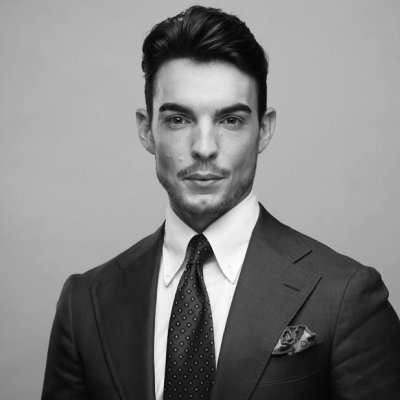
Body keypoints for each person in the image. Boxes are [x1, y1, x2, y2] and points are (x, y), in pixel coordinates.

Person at [42, 5, 400, 400]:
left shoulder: (345, 295)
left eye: (231, 120)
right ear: (147, 131)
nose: (204, 147)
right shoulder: (84, 303)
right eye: (178, 119)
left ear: (264, 130)